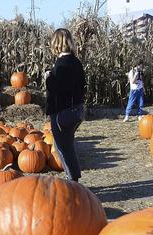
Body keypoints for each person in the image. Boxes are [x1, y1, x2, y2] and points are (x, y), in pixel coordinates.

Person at [45, 28, 86, 183]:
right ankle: (75, 179)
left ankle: (72, 181)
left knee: (62, 148)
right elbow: (80, 85)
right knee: (68, 145)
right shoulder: (76, 62)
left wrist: (48, 77)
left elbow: (59, 89)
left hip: (63, 113)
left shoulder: (62, 64)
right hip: (78, 111)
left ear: (56, 43)